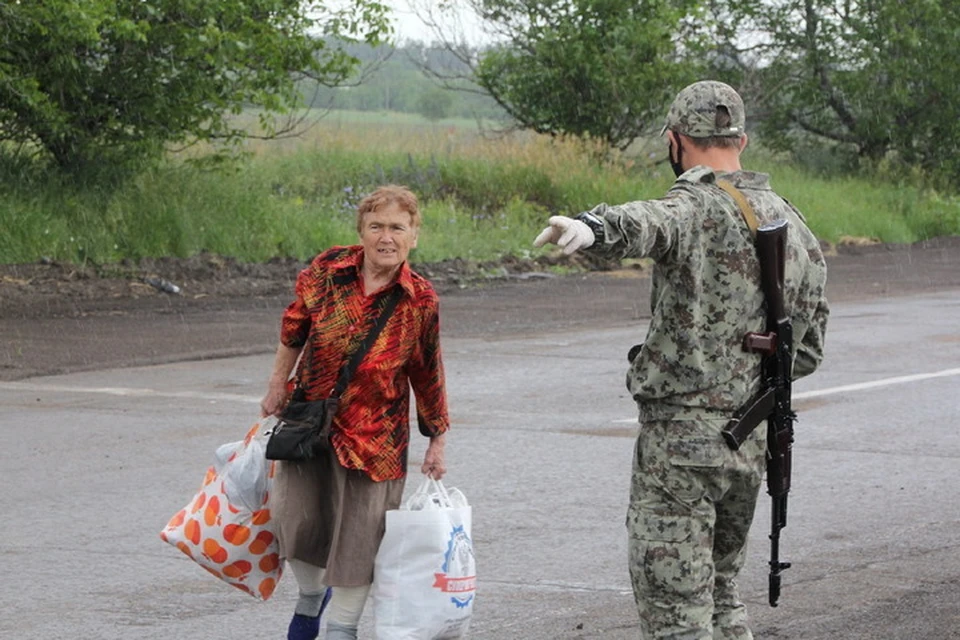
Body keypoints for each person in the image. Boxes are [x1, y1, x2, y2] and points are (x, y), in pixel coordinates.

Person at [533, 81, 829, 638]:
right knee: (721, 598)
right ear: (742, 138)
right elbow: (808, 349)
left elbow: (649, 221)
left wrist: (589, 227)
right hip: (751, 442)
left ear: (675, 141)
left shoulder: (693, 204)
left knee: (676, 616)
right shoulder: (794, 224)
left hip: (681, 449)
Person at [260, 184, 450, 640]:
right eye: (376, 226)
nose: (387, 237)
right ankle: (310, 600)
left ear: (414, 236)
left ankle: (342, 628)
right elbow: (294, 328)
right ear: (361, 232)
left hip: (374, 441)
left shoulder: (420, 299)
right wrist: (276, 384)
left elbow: (427, 370)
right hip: (309, 423)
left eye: (398, 228)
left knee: (359, 543)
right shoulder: (327, 269)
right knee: (298, 525)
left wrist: (437, 438)